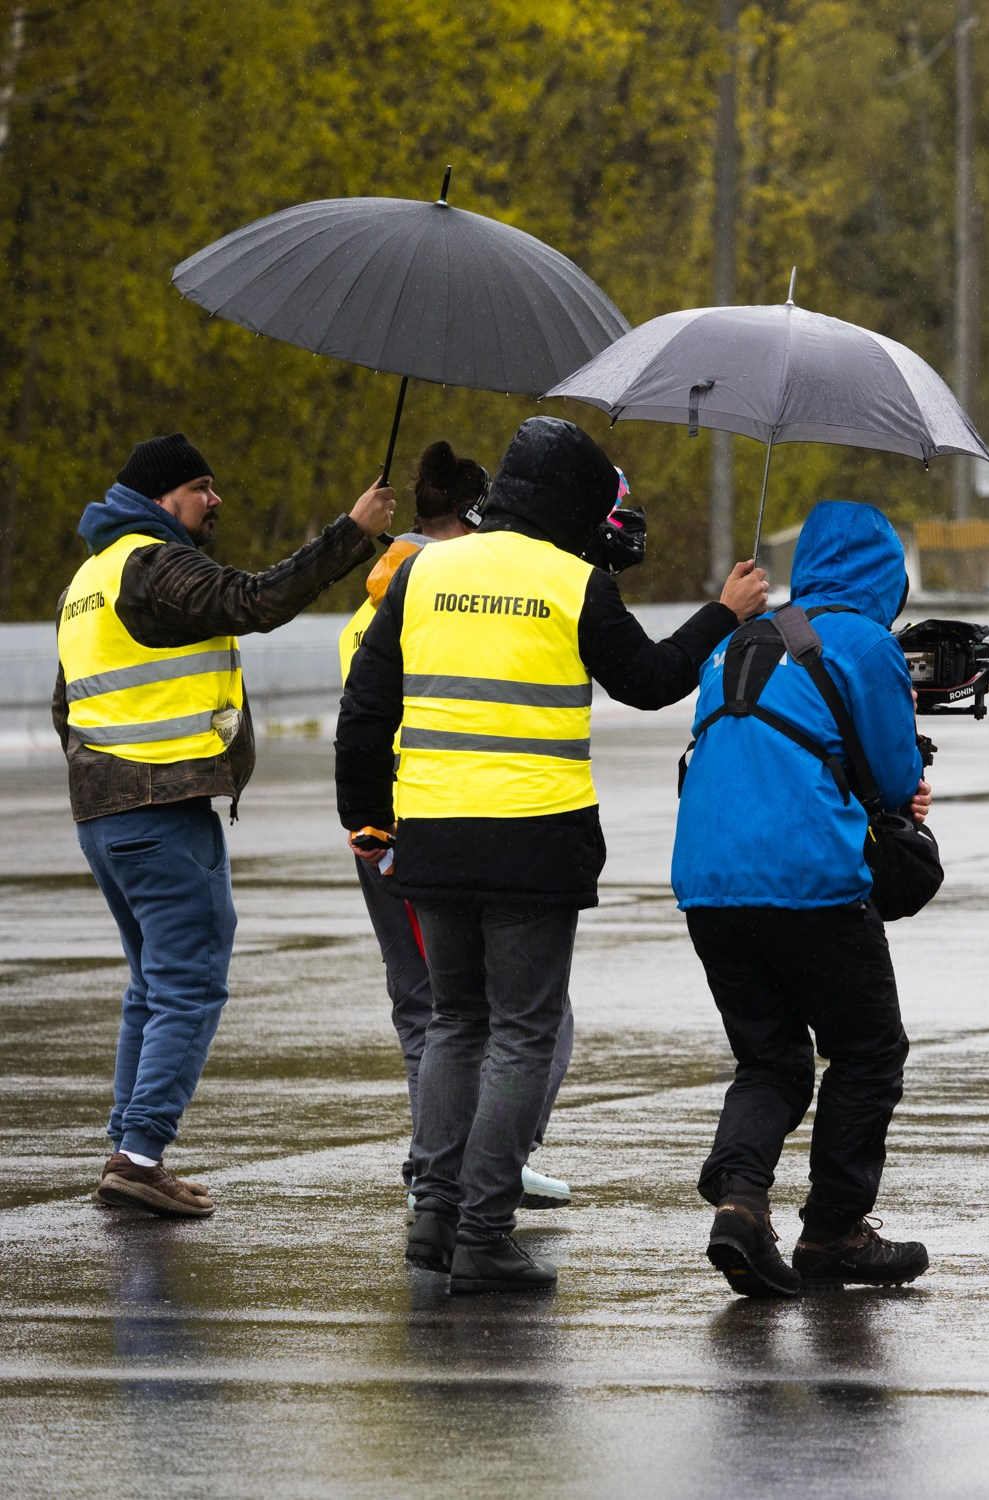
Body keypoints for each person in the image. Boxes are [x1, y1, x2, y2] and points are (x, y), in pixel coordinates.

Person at [336, 416, 766, 1294]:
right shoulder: (574, 585)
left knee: (455, 1022)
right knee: (522, 1033)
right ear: (570, 502)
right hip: (533, 839)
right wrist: (723, 614)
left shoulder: (421, 575)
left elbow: (363, 712)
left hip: (432, 836)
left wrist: (370, 823)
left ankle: (435, 1209)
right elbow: (648, 683)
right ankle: (483, 1231)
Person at [55, 433, 393, 1217]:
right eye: (203, 487)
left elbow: (62, 705)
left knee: (154, 984)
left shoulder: (89, 578)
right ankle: (140, 1155)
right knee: (191, 984)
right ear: (162, 497)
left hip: (105, 813)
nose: (216, 502)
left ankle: (127, 1148)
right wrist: (353, 533)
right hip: (161, 810)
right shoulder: (152, 560)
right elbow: (254, 600)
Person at [673, 500, 933, 1299]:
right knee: (867, 1048)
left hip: (710, 883)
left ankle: (741, 1204)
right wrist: (909, 774)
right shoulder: (864, 642)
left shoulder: (733, 642)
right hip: (808, 879)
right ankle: (834, 1232)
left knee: (773, 1059)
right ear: (886, 577)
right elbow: (891, 782)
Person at [339, 440, 574, 1214]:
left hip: (386, 832)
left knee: (429, 1006)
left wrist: (366, 821)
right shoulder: (442, 596)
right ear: (477, 515)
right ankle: (468, 1168)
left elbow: (362, 722)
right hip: (441, 823)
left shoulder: (375, 605)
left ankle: (447, 1169)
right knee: (510, 1014)